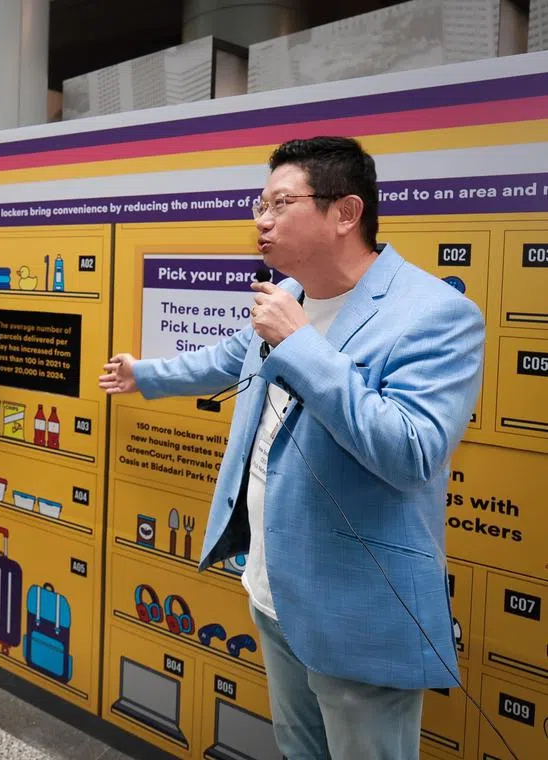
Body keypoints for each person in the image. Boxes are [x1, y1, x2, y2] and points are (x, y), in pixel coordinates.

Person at [99, 137, 484, 759]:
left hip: (358, 606)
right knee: (299, 748)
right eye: (260, 202)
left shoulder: (435, 313)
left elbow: (411, 450)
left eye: (280, 202)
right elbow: (225, 360)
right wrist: (144, 374)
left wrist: (302, 346)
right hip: (273, 590)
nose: (261, 218)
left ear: (345, 213)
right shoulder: (292, 298)